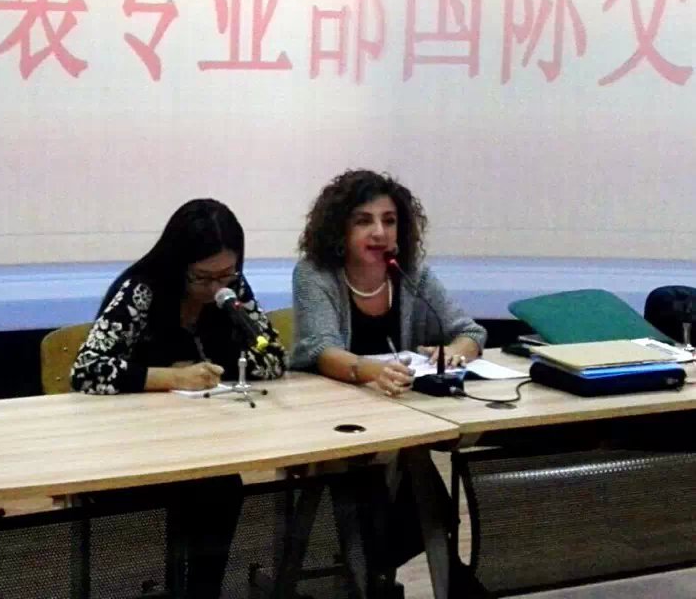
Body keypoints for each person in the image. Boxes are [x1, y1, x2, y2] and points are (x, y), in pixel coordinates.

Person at [71, 198, 287, 598]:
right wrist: (172, 377)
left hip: (207, 441)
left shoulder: (231, 289)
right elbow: (87, 370)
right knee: (211, 490)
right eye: (202, 278)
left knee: (222, 486)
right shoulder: (142, 290)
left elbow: (272, 357)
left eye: (226, 274)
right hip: (135, 444)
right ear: (178, 264)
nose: (216, 288)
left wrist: (225, 363)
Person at [291, 169, 487, 594]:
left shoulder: (412, 273)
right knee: (398, 478)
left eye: (389, 220)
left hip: (399, 417)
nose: (379, 232)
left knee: (410, 467)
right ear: (339, 228)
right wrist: (371, 371)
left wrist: (455, 352)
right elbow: (321, 348)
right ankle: (384, 577)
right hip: (329, 423)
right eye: (364, 221)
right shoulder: (315, 273)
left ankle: (384, 577)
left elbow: (470, 332)